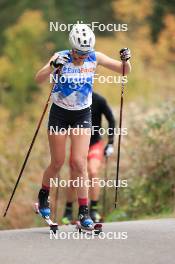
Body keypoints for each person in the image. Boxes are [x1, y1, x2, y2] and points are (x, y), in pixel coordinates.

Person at [35, 23, 131, 229]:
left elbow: (124, 71)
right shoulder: (60, 56)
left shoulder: (95, 57)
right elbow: (39, 79)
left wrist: (126, 60)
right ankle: (43, 196)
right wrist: (51, 67)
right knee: (57, 163)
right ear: (72, 48)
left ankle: (85, 213)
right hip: (59, 114)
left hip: (82, 115)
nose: (81, 58)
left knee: (80, 164)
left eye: (85, 54)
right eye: (78, 54)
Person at [62, 92, 115, 224]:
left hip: (94, 144)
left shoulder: (99, 99)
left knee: (93, 171)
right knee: (75, 178)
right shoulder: (72, 99)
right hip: (77, 145)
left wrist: (110, 143)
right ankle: (68, 211)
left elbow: (111, 119)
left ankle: (93, 210)